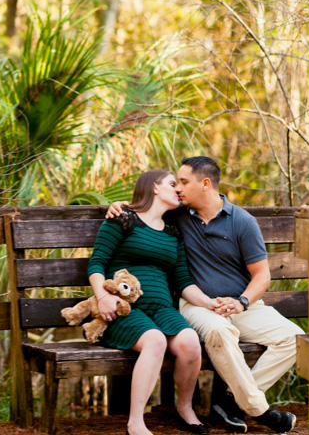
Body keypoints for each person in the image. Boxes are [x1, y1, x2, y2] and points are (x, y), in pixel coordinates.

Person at [108, 156, 301, 434]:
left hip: (241, 304)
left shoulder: (242, 222)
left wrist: (242, 301)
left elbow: (262, 276)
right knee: (220, 333)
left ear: (206, 184)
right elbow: (145, 208)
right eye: (176, 183)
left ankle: (233, 405)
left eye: (184, 182)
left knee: (295, 339)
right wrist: (118, 206)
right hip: (198, 304)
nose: (178, 189)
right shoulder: (178, 214)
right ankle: (260, 410)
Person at [85, 169, 206, 435]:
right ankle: (136, 423)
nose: (178, 189)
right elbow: (97, 263)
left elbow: (183, 281)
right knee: (155, 340)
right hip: (122, 308)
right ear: (153, 187)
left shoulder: (173, 231)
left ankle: (185, 409)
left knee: (189, 342)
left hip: (161, 308)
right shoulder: (122, 220)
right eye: (173, 184)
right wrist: (103, 297)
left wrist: (211, 303)